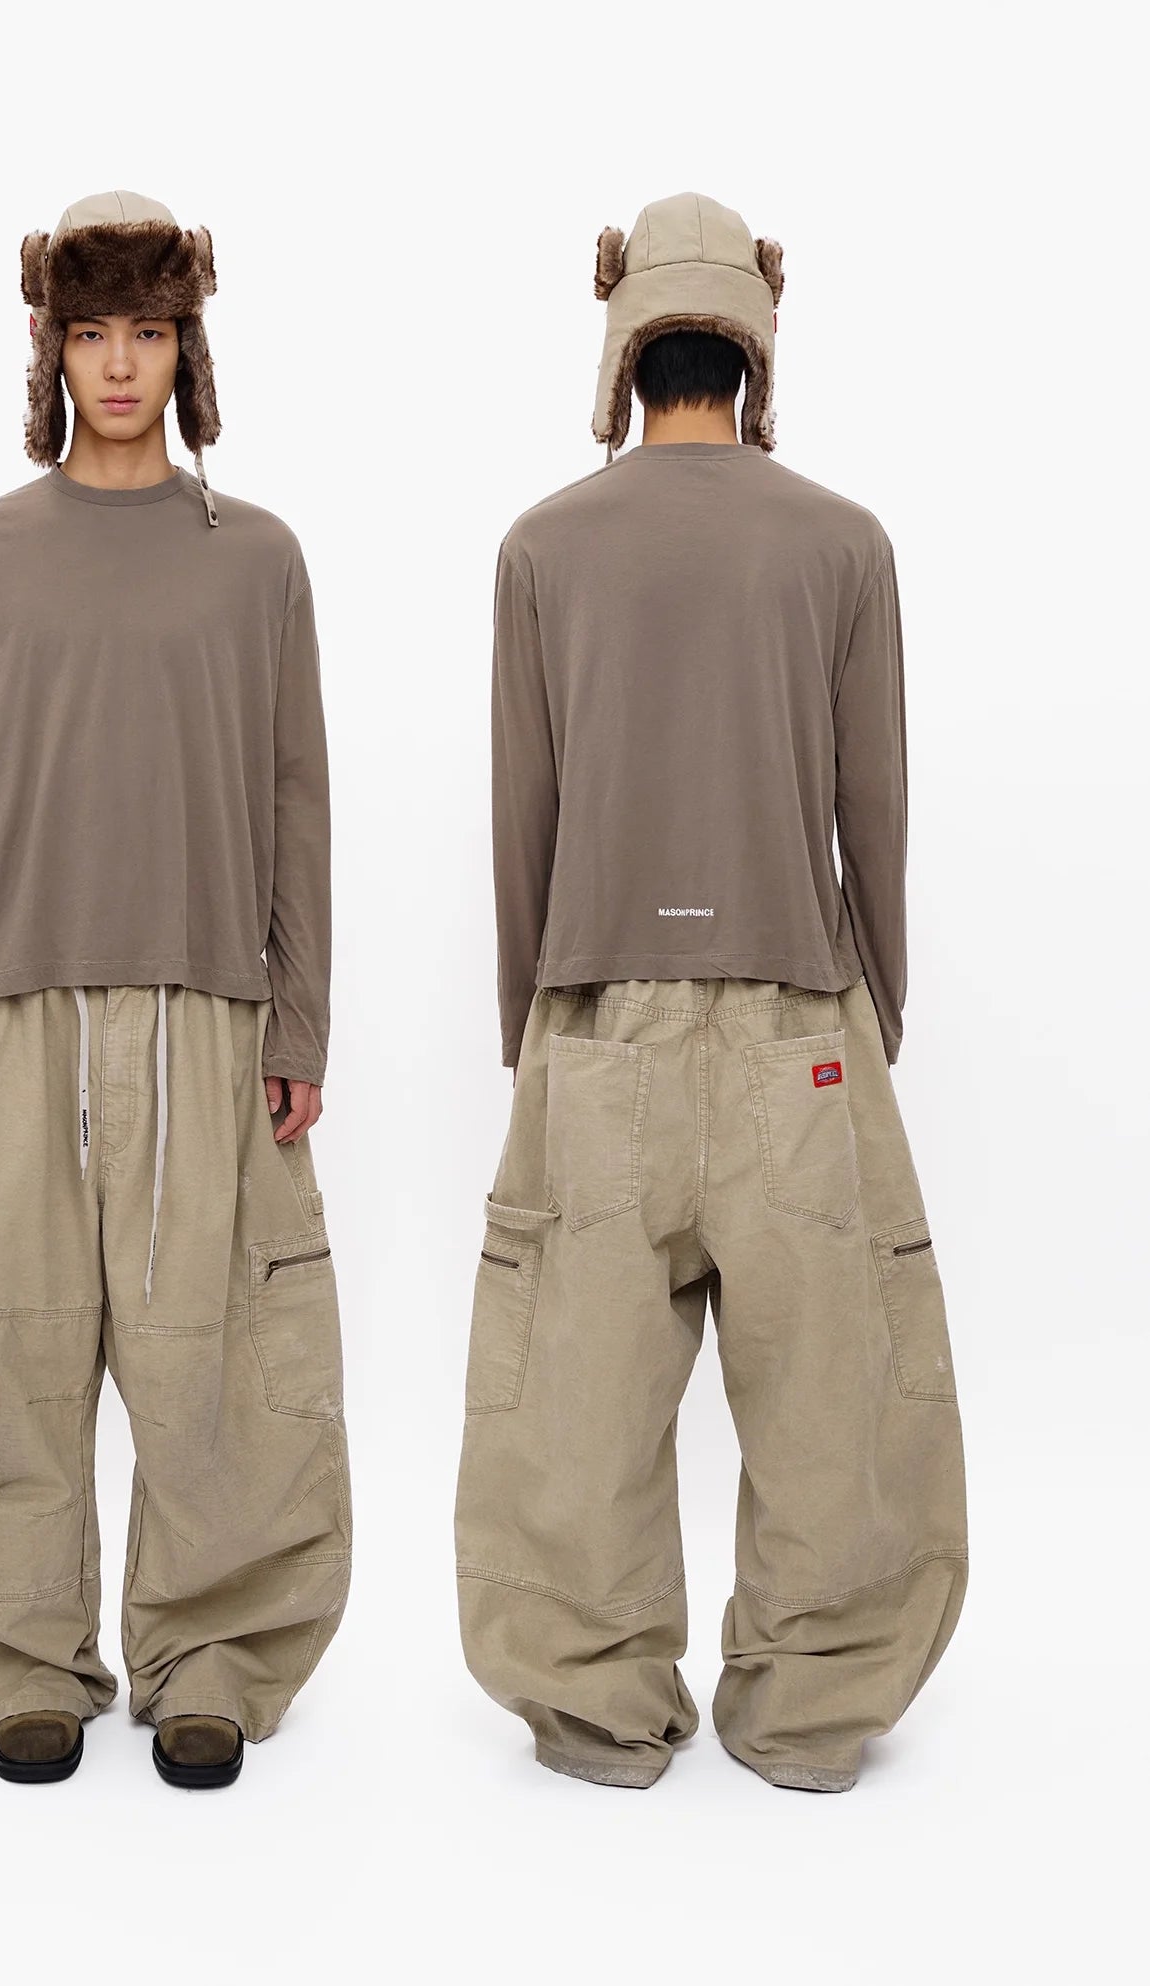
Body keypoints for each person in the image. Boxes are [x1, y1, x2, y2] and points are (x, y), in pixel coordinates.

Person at [453, 191, 967, 1793]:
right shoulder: (839, 541)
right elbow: (871, 801)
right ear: (754, 346)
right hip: (793, 1021)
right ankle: (810, 1710)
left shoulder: (542, 545)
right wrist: (874, 1002)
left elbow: (522, 810)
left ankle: (594, 1706)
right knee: (834, 1394)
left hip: (593, 1013)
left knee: (571, 1404)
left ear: (622, 346)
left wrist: (526, 1026)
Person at [0, 190, 349, 1788]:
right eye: (92, 332)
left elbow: (295, 799)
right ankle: (18, 1652)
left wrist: (299, 1020)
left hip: (205, 1008)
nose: (121, 363)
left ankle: (211, 1650)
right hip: (13, 1013)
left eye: (148, 330)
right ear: (53, 347)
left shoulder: (256, 560)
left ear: (185, 343)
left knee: (214, 1349)